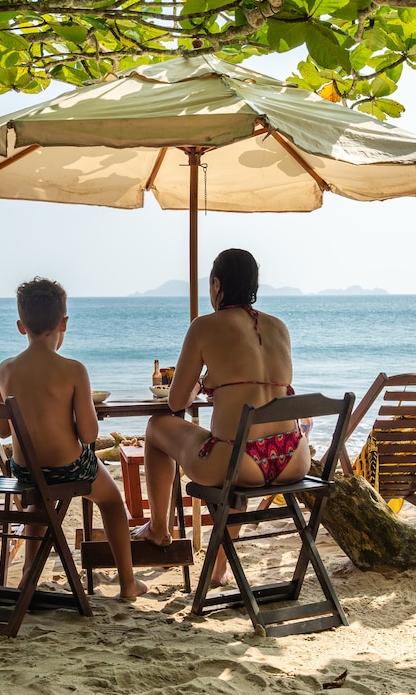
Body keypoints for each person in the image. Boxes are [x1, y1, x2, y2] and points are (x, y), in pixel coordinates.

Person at [130, 248, 309, 585]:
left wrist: (201, 383)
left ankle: (158, 527)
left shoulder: (204, 327)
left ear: (216, 284)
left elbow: (176, 402)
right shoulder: (279, 327)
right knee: (239, 453)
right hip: (293, 459)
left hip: (240, 463)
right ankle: (218, 570)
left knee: (156, 428)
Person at [0, 277, 148, 600]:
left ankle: (28, 579)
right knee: (112, 501)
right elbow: (90, 434)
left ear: (21, 326)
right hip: (69, 471)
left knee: (39, 506)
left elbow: (2, 430)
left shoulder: (5, 370)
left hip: (25, 476)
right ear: (64, 323)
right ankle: (128, 583)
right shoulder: (74, 370)